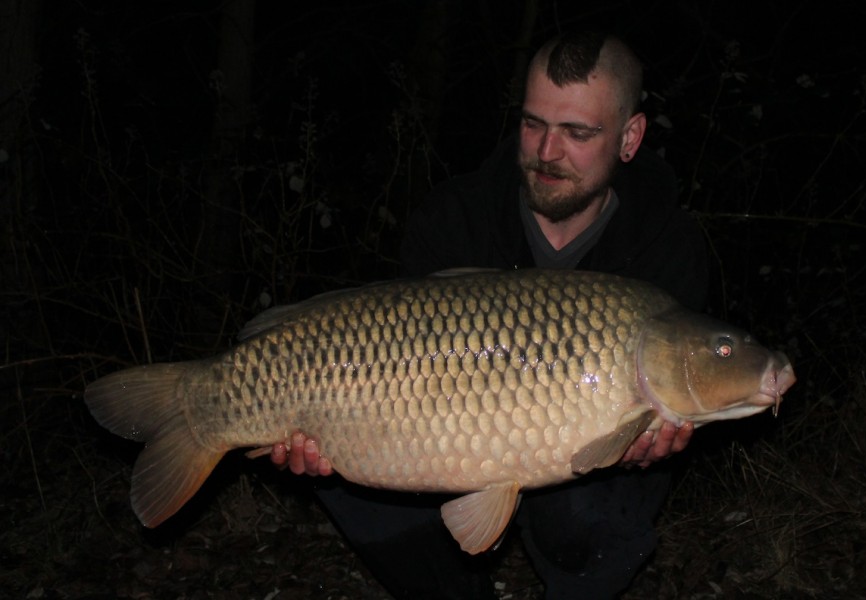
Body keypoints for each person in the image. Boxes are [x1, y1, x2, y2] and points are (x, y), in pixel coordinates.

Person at [271, 30, 708, 599]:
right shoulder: (453, 216)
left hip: (587, 468)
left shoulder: (668, 245)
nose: (546, 152)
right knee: (349, 478)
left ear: (630, 138)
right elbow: (391, 367)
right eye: (533, 124)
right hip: (444, 433)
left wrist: (653, 441)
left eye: (577, 132)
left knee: (588, 517)